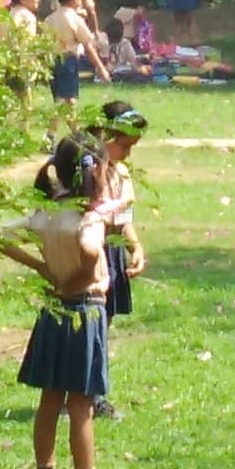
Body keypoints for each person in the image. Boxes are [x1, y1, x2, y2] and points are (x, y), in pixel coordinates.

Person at [0, 141, 119, 469]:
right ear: (94, 171)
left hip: (54, 311)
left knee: (50, 399)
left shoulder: (47, 215)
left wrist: (41, 268)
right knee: (81, 404)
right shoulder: (88, 218)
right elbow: (89, 248)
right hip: (85, 310)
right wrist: (85, 277)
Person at [89, 102, 150, 419]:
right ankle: (80, 395)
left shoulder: (120, 172)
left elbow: (123, 219)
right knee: (87, 325)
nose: (127, 154)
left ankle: (95, 394)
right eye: (124, 145)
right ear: (104, 134)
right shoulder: (84, 171)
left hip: (111, 251)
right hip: (88, 253)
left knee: (102, 326)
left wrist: (135, 247)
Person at [45, 0, 108, 108]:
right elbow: (88, 46)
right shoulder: (75, 19)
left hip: (52, 61)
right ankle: (52, 129)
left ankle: (76, 129)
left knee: (63, 99)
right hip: (68, 62)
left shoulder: (49, 19)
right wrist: (101, 68)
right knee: (66, 100)